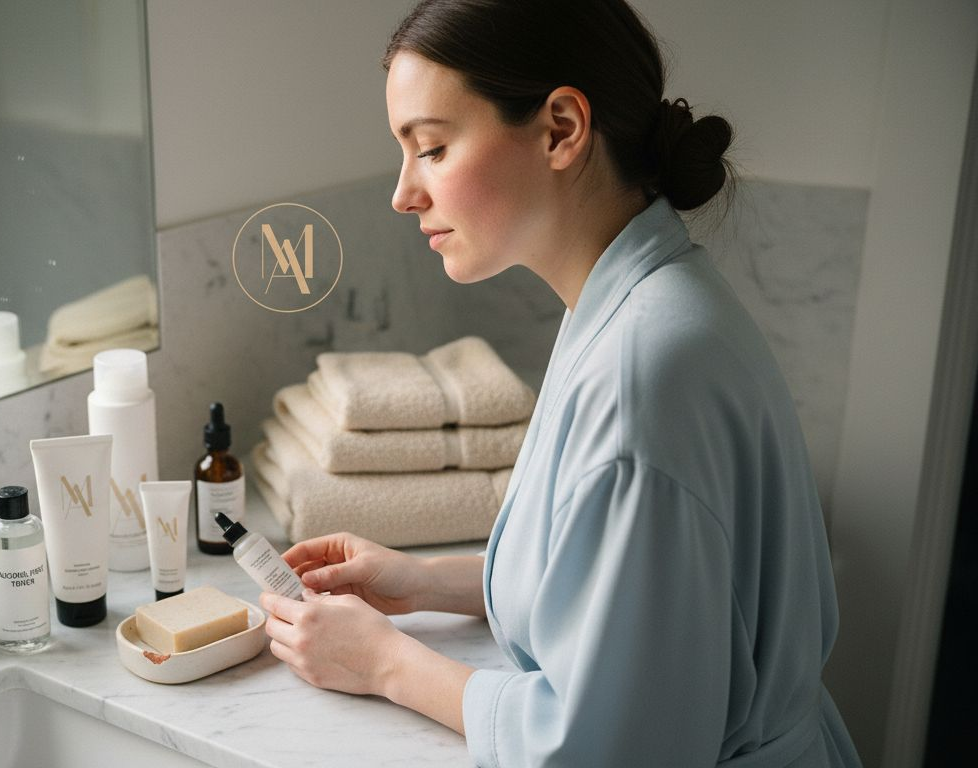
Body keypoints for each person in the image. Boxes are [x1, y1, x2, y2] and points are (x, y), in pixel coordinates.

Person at [257, 1, 862, 766]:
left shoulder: (644, 372)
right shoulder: (641, 301)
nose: (404, 193)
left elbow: (606, 745)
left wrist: (383, 661)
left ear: (561, 130)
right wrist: (429, 581)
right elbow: (633, 593)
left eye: (432, 148)